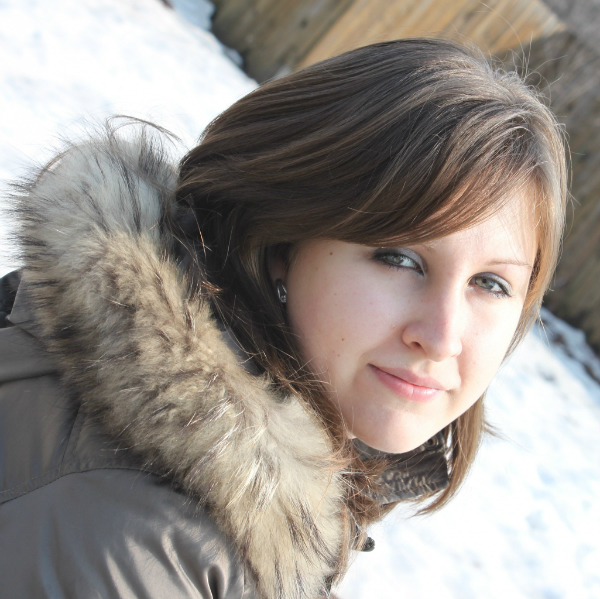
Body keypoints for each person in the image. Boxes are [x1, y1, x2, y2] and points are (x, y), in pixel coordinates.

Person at [0, 38, 566, 599]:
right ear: (279, 245)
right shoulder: (142, 539)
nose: (442, 338)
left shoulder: (254, 500)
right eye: (398, 259)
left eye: (491, 284)